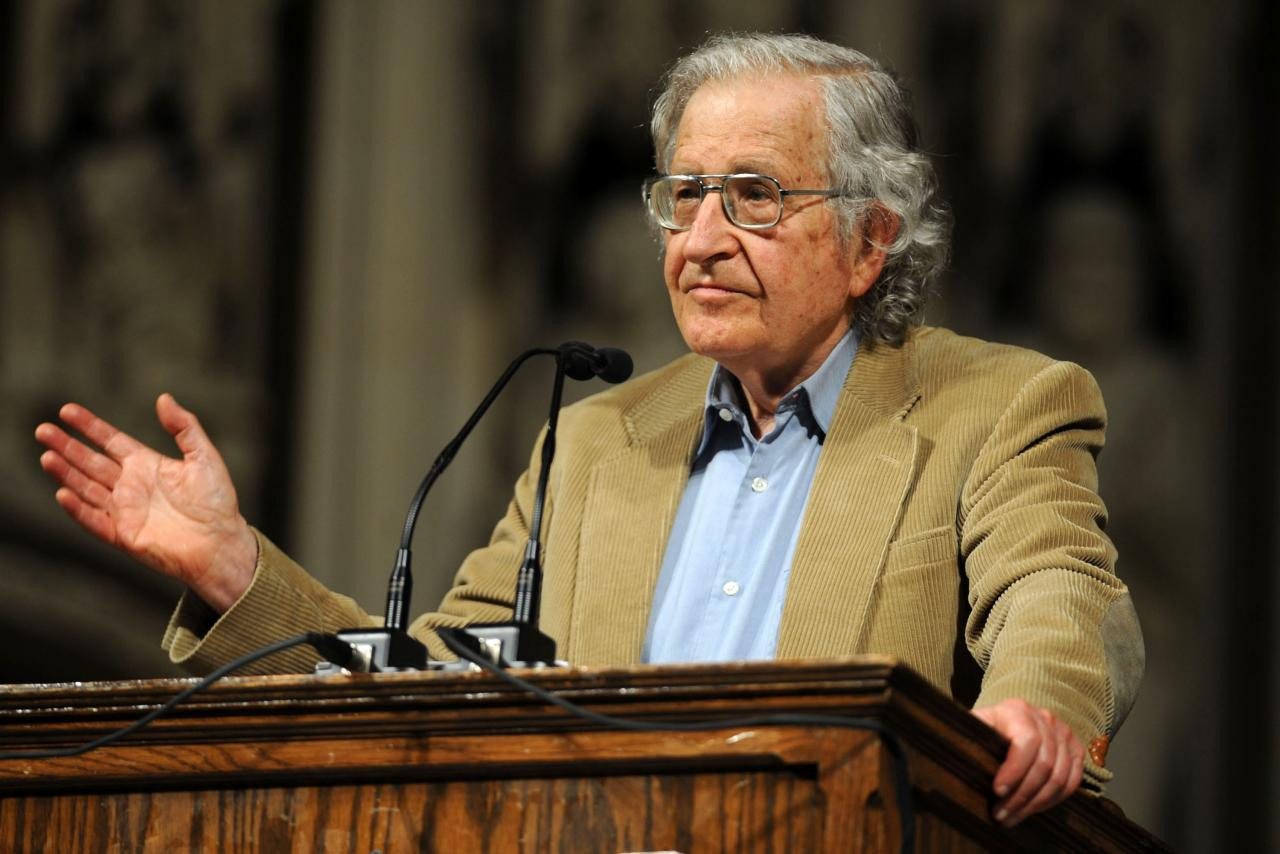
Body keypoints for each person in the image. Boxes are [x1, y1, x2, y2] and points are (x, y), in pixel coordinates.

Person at [34, 33, 1143, 828]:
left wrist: (1038, 705)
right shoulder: (596, 438)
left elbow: (1062, 593)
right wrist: (236, 571)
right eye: (683, 194)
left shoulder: (997, 404)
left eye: (753, 196)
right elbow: (440, 685)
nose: (700, 239)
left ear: (870, 240)